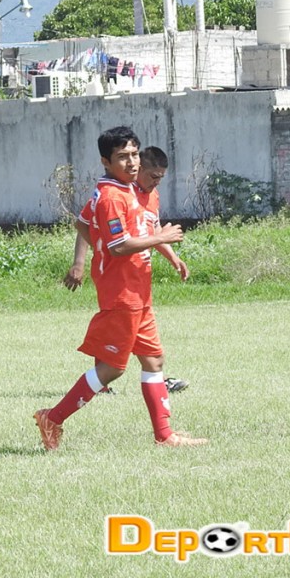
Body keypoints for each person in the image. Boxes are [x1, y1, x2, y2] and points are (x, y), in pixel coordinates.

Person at [35, 126, 207, 449]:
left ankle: (164, 435)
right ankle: (52, 418)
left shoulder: (126, 189)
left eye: (134, 155)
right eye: (122, 157)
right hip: (122, 294)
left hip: (138, 292)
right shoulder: (113, 197)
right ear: (106, 161)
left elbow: (84, 223)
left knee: (154, 360)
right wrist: (158, 238)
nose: (131, 162)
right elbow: (118, 246)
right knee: (112, 369)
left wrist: (167, 254)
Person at [64, 145, 190, 393]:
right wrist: (83, 260)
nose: (156, 182)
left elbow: (152, 231)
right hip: (116, 275)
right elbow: (84, 223)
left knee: (138, 333)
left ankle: (154, 380)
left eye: (161, 178)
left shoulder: (151, 195)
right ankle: (99, 383)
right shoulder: (116, 194)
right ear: (139, 168)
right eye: (153, 176)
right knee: (118, 332)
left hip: (137, 274)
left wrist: (173, 258)